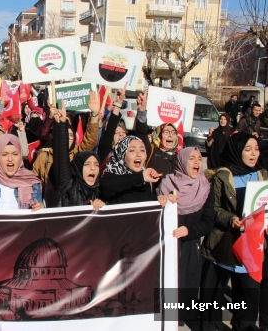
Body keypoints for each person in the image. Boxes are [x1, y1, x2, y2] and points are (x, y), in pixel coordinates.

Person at [200, 132, 265, 331]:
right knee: (213, 296)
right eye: (247, 149)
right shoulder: (223, 176)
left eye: (256, 148)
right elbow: (214, 209)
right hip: (224, 244)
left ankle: (243, 326)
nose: (253, 153)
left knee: (248, 296)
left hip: (252, 248)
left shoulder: (263, 175)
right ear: (237, 151)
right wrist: (231, 219)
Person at [156, 147, 214, 327]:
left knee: (185, 292)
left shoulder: (205, 188)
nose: (197, 162)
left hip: (190, 250)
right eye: (192, 158)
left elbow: (208, 222)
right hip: (166, 249)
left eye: (199, 158)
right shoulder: (166, 184)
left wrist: (189, 230)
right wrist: (161, 203)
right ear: (181, 162)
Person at [50, 103, 104, 209]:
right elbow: (61, 155)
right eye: (87, 164)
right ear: (78, 168)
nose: (93, 168)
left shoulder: (99, 191)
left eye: (96, 165)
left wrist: (103, 207)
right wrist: (62, 124)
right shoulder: (68, 186)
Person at [99, 136, 163, 205]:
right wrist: (140, 177)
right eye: (132, 150)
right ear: (122, 154)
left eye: (142, 150)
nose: (138, 154)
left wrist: (161, 199)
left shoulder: (146, 180)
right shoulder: (109, 177)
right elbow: (107, 187)